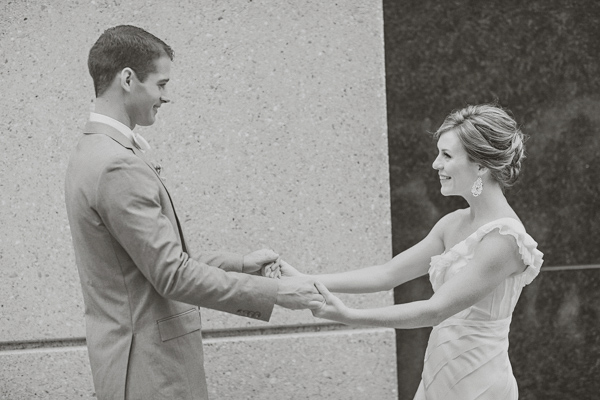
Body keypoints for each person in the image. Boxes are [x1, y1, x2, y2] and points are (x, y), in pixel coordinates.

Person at [65, 25, 322, 400]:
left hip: (130, 364)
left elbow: (149, 264)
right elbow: (170, 274)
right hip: (150, 371)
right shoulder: (116, 165)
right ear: (128, 78)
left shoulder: (89, 152)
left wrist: (238, 263)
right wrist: (276, 292)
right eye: (161, 84)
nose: (167, 96)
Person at [281, 104, 543, 399]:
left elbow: (435, 310)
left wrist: (348, 315)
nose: (435, 164)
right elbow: (388, 274)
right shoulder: (453, 222)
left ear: (481, 165)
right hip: (439, 374)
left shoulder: (504, 239)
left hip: (479, 383)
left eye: (446, 155)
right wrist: (305, 280)